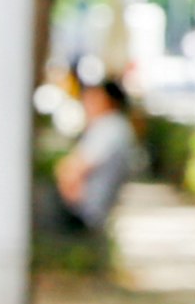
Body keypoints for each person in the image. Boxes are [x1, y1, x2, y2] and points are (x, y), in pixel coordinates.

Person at [51, 76, 137, 237]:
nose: (86, 104)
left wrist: (68, 181)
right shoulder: (114, 127)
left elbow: (74, 170)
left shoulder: (109, 128)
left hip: (85, 211)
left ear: (108, 101)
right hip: (89, 209)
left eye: (93, 98)